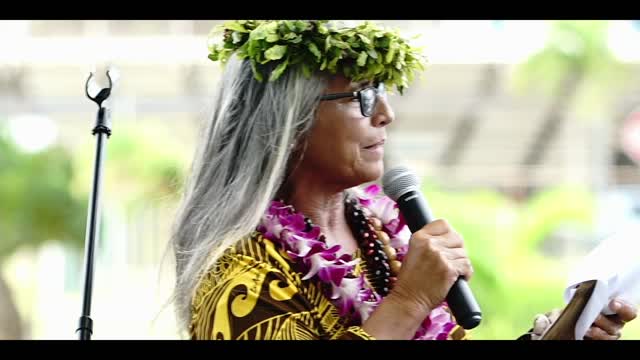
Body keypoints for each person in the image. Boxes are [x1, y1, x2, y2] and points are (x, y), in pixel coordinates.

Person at [170, 20, 637, 340]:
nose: (386, 114)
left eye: (384, 94)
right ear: (288, 124)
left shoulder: (382, 235)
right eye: (362, 96)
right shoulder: (238, 276)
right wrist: (410, 299)